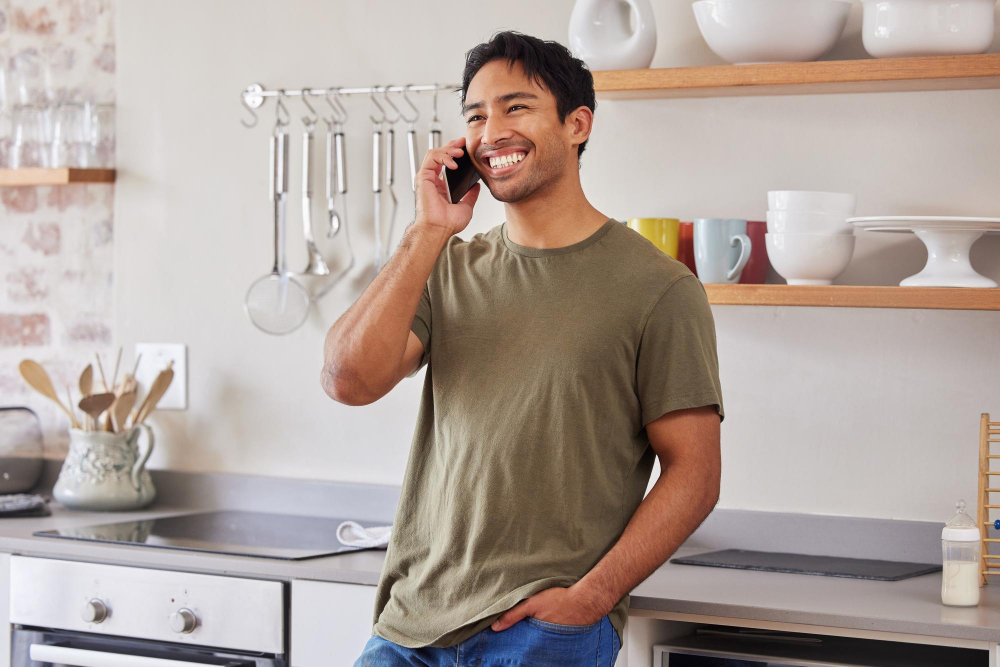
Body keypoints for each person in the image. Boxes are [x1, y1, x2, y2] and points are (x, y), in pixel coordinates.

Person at [322, 30, 724, 667]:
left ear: (577, 124)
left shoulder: (659, 289)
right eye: (475, 116)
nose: (490, 133)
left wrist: (593, 597)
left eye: (516, 107)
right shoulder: (448, 265)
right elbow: (348, 380)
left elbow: (695, 474)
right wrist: (428, 230)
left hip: (543, 633)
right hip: (410, 627)